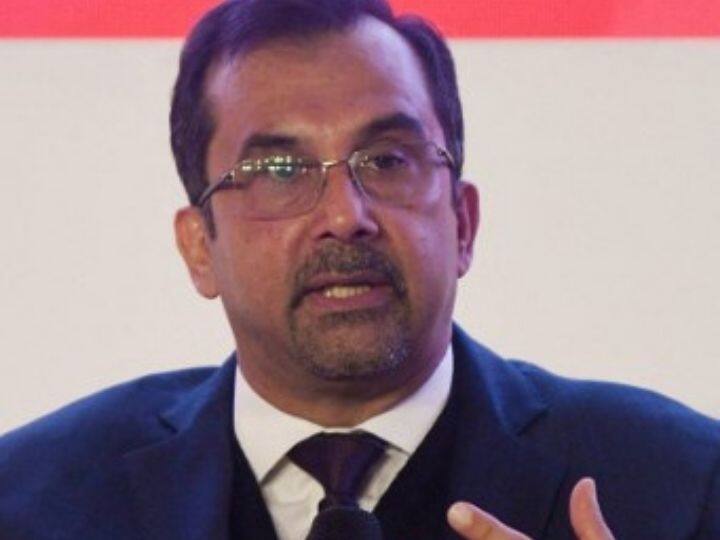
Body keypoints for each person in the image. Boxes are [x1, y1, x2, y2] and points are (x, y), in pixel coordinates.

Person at [0, 0, 718, 538]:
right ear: (198, 248)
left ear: (462, 223)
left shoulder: (680, 486)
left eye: (388, 161)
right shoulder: (32, 502)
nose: (346, 216)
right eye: (278, 171)